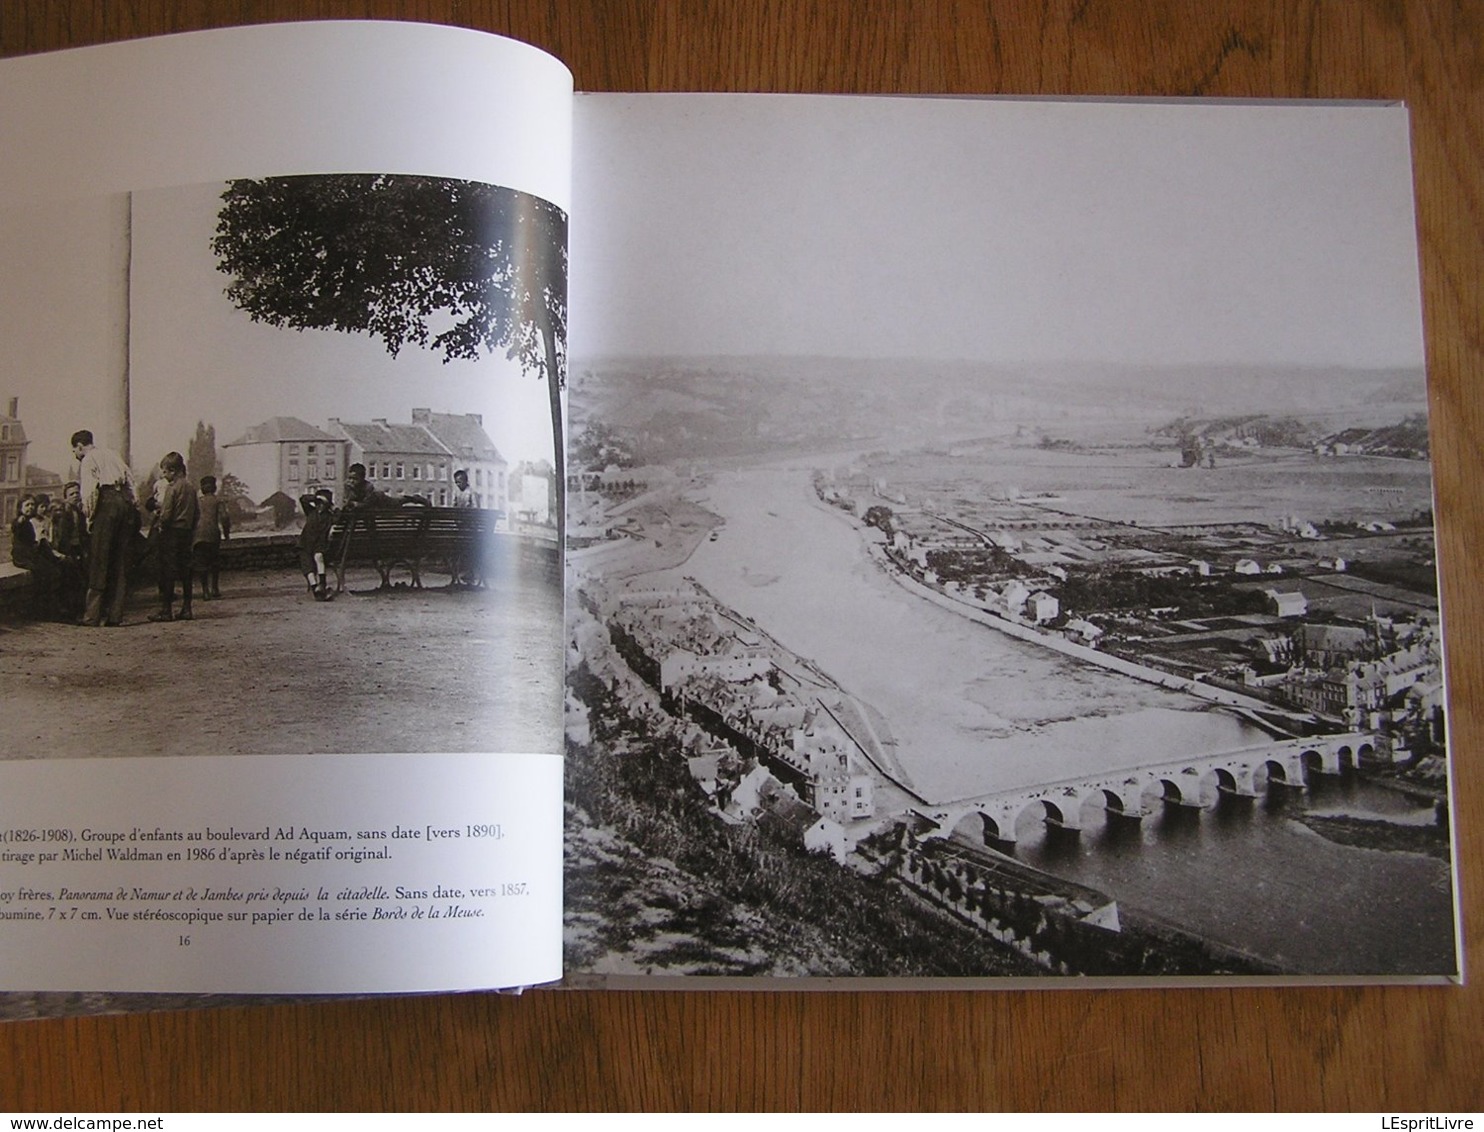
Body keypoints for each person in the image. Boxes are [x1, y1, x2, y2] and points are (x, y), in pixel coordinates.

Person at [71, 429, 139, 627]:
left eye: (74, 450)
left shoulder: (88, 460)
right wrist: (131, 506)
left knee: (99, 560)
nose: (75, 455)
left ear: (80, 446)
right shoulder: (112, 454)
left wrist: (90, 518)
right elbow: (131, 483)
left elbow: (90, 492)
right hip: (124, 505)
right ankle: (115, 615)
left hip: (106, 504)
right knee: (120, 561)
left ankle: (91, 616)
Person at [146, 451, 198, 622]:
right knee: (186, 571)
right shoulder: (191, 487)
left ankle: (166, 610)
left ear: (174, 471)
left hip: (171, 533)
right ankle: (187, 608)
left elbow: (166, 515)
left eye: (165, 472)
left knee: (167, 571)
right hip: (187, 533)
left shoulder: (172, 488)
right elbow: (197, 513)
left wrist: (161, 525)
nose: (164, 475)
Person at [10, 495, 61, 619]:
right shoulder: (21, 520)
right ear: (20, 507)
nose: (30, 507)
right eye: (27, 505)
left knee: (52, 571)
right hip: (22, 556)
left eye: (32, 505)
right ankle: (40, 610)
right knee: (45, 572)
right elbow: (16, 527)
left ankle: (46, 608)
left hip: (30, 554)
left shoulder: (29, 521)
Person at [193, 475, 231, 600]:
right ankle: (215, 588)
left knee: (201, 563)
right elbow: (224, 518)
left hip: (198, 536)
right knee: (214, 562)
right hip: (213, 534)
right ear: (214, 488)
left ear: (202, 488)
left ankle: (205, 591)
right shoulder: (218, 501)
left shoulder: (197, 501)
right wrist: (226, 534)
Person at [297, 487, 336, 601]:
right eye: (317, 503)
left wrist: (332, 506)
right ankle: (316, 590)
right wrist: (316, 498)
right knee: (307, 567)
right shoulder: (310, 511)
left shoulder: (329, 516)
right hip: (305, 544)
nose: (319, 506)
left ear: (328, 505)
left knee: (318, 556)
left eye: (322, 504)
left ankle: (322, 585)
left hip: (319, 545)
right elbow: (303, 499)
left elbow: (339, 515)